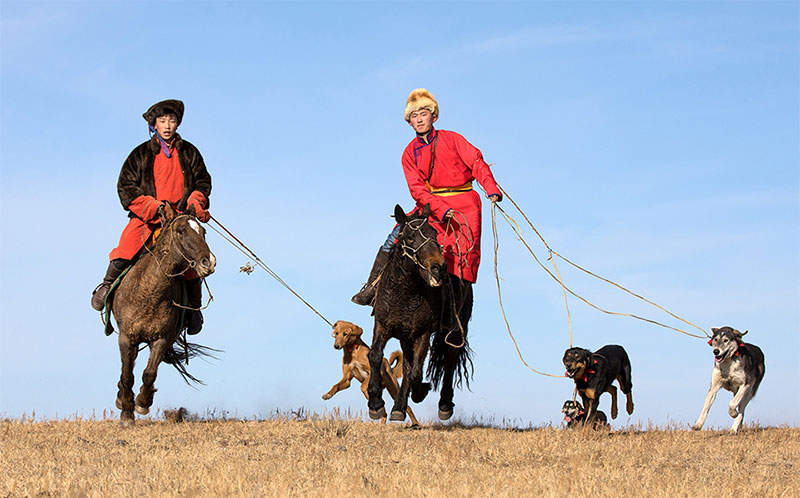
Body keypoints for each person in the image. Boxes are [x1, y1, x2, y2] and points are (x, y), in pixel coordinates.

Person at [352, 88, 501, 305]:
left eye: (423, 113)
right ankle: (372, 287)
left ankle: (455, 308)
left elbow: (476, 162)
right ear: (409, 122)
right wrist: (440, 209)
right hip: (431, 206)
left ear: (434, 116)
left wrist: (491, 188)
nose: (419, 119)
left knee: (459, 258)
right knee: (395, 236)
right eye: (414, 116)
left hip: (464, 208)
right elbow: (417, 190)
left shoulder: (453, 139)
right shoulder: (408, 153)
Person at [91, 99, 212, 334]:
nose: (167, 125)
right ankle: (107, 287)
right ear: (154, 124)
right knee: (126, 247)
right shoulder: (140, 154)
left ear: (178, 124)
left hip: (179, 218)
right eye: (162, 121)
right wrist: (151, 206)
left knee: (192, 257)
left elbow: (203, 181)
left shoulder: (189, 152)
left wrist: (195, 201)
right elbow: (126, 187)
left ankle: (194, 309)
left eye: (172, 120)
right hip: (150, 216)